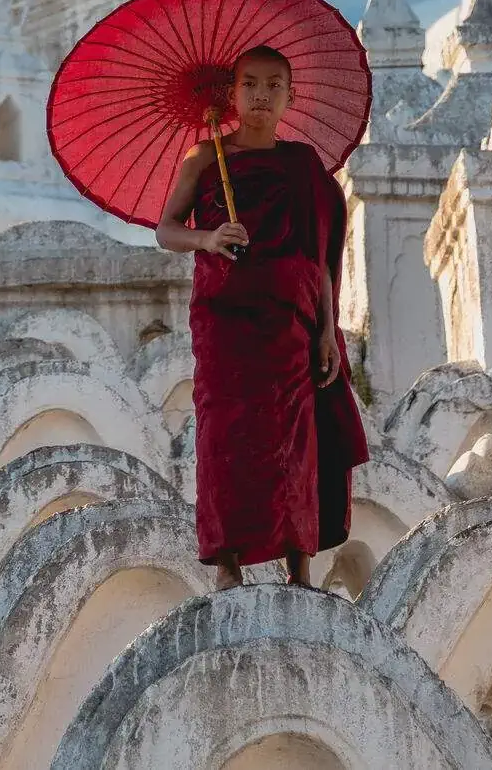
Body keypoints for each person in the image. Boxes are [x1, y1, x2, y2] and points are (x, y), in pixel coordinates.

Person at [155, 43, 369, 589]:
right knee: (226, 436)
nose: (261, 95)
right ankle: (226, 563)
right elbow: (166, 230)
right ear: (232, 94)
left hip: (290, 322)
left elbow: (317, 258)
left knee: (296, 438)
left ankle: (299, 561)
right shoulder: (205, 158)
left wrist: (327, 332)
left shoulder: (303, 169)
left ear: (290, 97)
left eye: (275, 85)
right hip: (226, 322)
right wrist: (209, 236)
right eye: (250, 84)